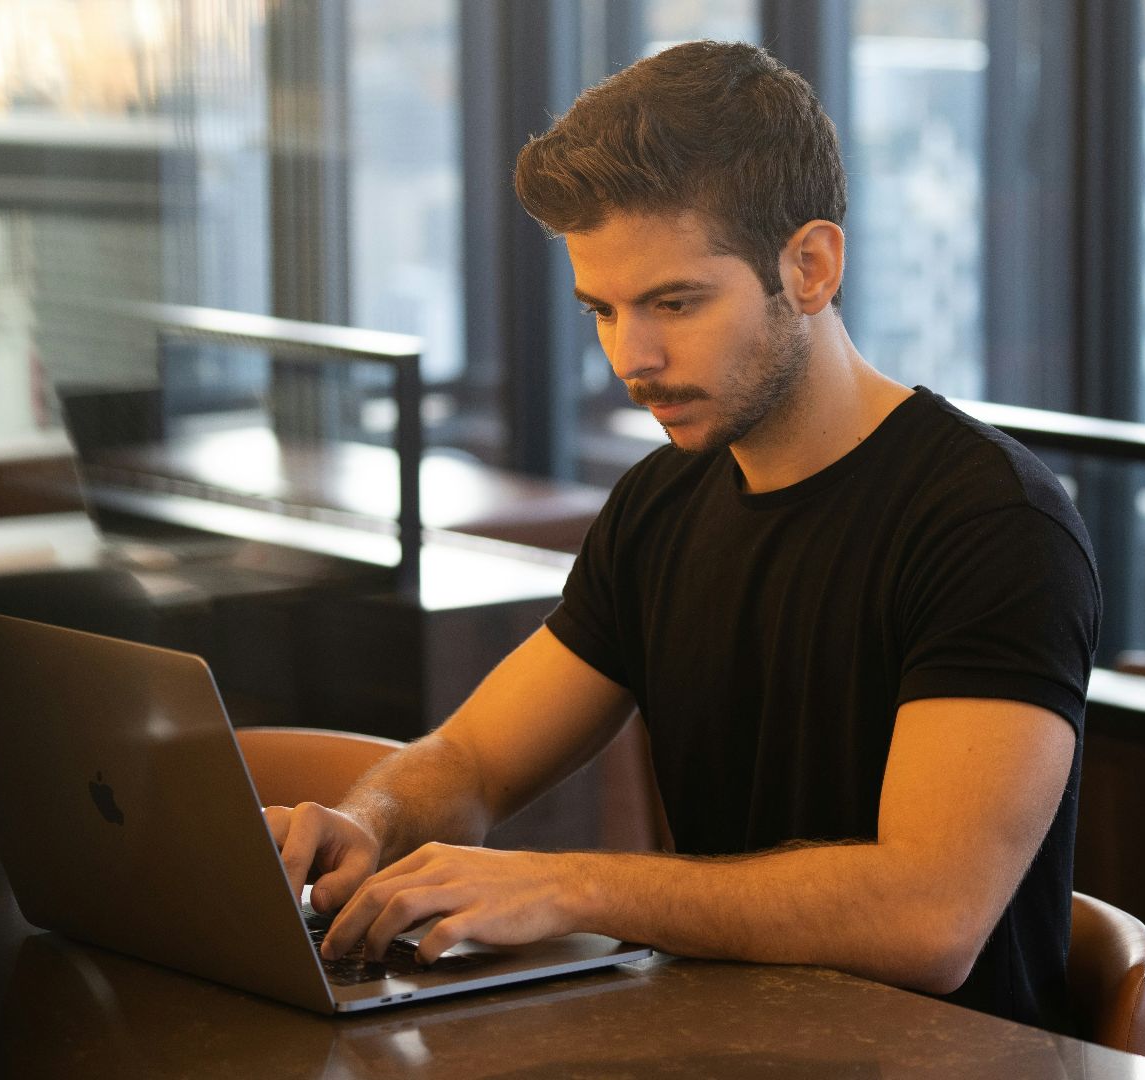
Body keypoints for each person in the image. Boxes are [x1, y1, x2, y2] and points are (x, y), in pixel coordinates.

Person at [268, 40, 1100, 1032]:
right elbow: (475, 763)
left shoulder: (993, 522)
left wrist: (573, 888)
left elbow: (929, 918)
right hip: (722, 1044)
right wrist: (365, 824)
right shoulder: (659, 505)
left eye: (674, 302)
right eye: (603, 312)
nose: (632, 356)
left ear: (812, 266)